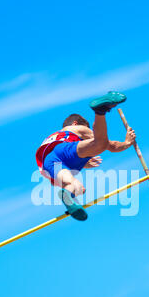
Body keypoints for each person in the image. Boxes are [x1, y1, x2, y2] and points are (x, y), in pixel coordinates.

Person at [36, 91, 135, 220]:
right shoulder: (75, 129)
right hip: (62, 152)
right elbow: (111, 146)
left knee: (75, 186)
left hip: (49, 162)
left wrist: (84, 159)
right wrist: (127, 142)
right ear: (75, 123)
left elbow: (68, 159)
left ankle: (69, 199)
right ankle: (100, 111)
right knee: (100, 144)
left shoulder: (55, 136)